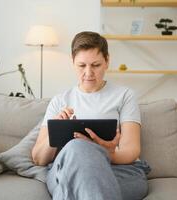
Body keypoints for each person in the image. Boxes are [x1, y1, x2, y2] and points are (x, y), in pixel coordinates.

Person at [32, 31, 150, 200]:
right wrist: (56, 129)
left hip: (117, 170)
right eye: (82, 66)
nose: (88, 73)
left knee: (75, 183)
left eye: (96, 65)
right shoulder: (59, 101)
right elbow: (38, 159)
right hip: (66, 168)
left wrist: (106, 153)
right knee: (76, 148)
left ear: (107, 61)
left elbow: (131, 150)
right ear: (73, 62)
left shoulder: (124, 96)